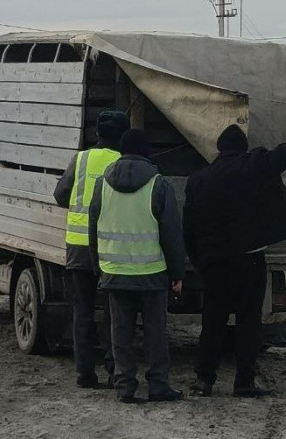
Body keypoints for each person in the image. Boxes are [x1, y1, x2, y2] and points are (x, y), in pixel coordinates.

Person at [184, 106, 286, 398]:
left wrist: (198, 260)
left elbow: (189, 227)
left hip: (214, 264)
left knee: (213, 322)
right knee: (248, 322)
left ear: (219, 150)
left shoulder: (199, 181)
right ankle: (243, 382)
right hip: (249, 260)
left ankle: (204, 380)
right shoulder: (255, 166)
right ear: (243, 149)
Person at [88, 129, 186, 404]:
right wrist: (177, 273)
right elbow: (171, 234)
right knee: (155, 334)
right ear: (147, 152)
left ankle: (125, 387)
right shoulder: (158, 184)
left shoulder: (102, 184)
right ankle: (158, 386)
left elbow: (92, 227)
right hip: (152, 275)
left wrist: (98, 267)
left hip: (114, 272)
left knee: (120, 334)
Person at [54, 110, 130, 389]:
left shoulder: (81, 159)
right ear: (123, 136)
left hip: (79, 249)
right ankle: (114, 370)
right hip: (111, 248)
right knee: (114, 312)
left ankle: (84, 373)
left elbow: (60, 195)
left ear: (98, 134)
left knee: (83, 311)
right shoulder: (123, 162)